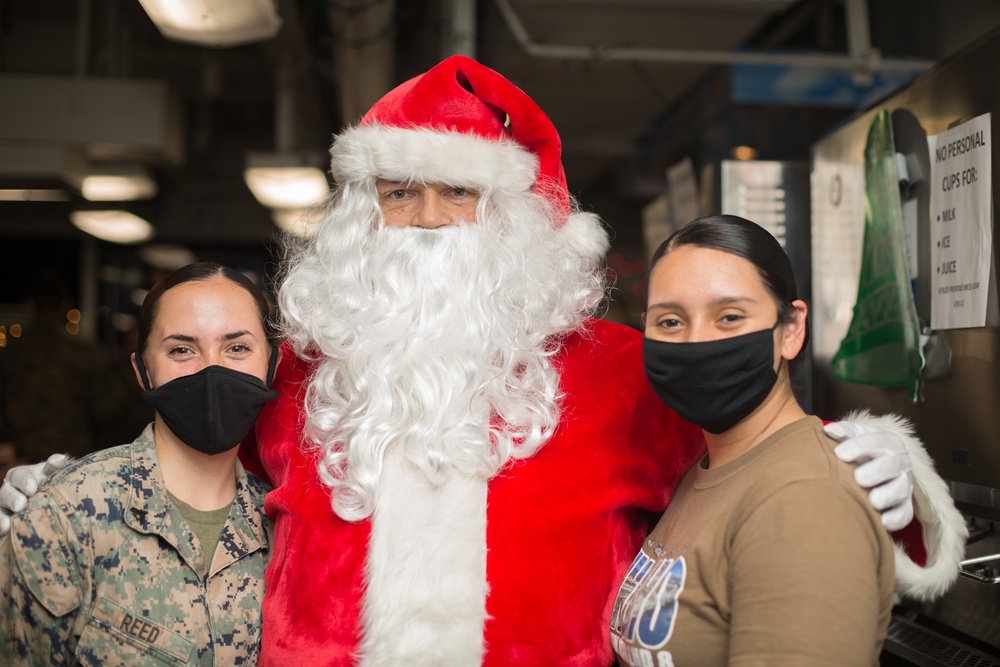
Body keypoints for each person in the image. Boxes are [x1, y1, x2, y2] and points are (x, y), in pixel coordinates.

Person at [0, 56, 966, 666]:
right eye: (399, 193)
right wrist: (64, 493)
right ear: (360, 217)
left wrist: (877, 464)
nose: (423, 222)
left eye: (456, 194)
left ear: (512, 218)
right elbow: (195, 476)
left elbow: (759, 462)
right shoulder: (302, 374)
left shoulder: (622, 372)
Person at [610, 215, 903, 666]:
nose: (696, 342)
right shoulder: (707, 471)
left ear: (790, 329)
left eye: (729, 317)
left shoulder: (804, 499)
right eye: (669, 321)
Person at [0, 262, 275, 665]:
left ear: (272, 367)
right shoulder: (64, 516)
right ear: (142, 371)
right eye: (181, 349)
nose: (212, 370)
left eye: (237, 347)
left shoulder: (290, 527)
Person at [0, 269, 130, 461]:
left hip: (22, 456)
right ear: (66, 305)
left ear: (30, 305)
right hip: (73, 456)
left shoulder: (12, 351)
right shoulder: (84, 350)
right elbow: (109, 407)